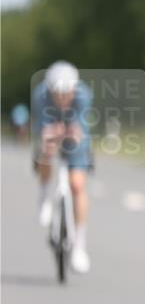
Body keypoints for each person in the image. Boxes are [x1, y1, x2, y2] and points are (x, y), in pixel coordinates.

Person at [32, 61, 93, 273]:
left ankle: (79, 245)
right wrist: (50, 139)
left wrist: (73, 137)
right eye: (57, 94)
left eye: (67, 93)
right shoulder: (40, 96)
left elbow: (80, 129)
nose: (62, 98)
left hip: (74, 132)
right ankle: (44, 196)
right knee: (46, 152)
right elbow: (43, 129)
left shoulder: (83, 96)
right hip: (49, 128)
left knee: (77, 185)